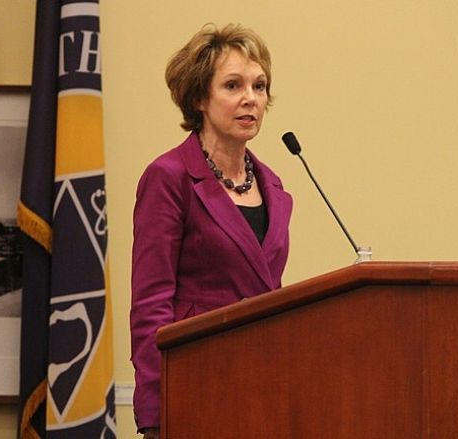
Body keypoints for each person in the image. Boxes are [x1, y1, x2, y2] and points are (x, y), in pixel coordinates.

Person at [130, 23, 293, 438]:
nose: (250, 99)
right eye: (233, 85)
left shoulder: (272, 185)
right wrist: (155, 409)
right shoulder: (169, 177)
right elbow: (151, 304)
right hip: (196, 383)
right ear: (200, 97)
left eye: (260, 86)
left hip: (262, 389)